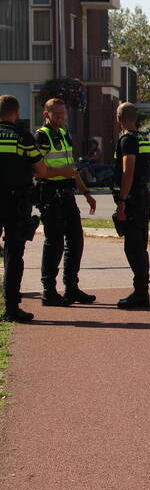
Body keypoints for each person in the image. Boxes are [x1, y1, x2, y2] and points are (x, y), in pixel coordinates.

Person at [0, 95, 77, 322]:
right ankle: (11, 307)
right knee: (14, 253)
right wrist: (65, 171)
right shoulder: (23, 138)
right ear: (16, 113)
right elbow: (41, 171)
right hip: (15, 201)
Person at [34, 98, 98, 307]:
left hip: (67, 192)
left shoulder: (64, 134)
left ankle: (71, 288)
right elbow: (40, 171)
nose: (61, 118)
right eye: (57, 114)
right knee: (54, 243)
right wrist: (64, 172)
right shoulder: (41, 136)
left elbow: (72, 167)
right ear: (47, 115)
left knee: (76, 240)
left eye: (63, 114)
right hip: (50, 192)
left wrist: (86, 192)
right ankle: (49, 291)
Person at [113, 102, 150, 309]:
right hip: (143, 195)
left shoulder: (127, 140)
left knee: (133, 247)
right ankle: (141, 290)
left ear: (118, 118)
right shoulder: (142, 138)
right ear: (135, 118)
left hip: (133, 199)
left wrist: (121, 201)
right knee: (140, 246)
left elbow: (128, 171)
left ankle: (140, 293)